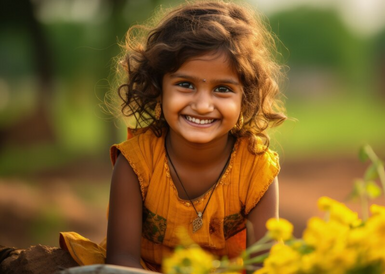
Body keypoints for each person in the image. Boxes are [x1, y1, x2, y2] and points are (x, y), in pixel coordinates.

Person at [59, 0, 287, 272]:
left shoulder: (257, 169)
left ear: (245, 98)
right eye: (185, 85)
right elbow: (122, 260)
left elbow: (262, 265)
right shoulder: (136, 163)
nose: (203, 105)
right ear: (158, 87)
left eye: (223, 89)